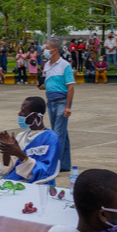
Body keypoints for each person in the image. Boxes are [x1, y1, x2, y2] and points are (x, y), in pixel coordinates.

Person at [0, 97, 60, 183]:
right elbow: (7, 170)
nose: (19, 114)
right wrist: (6, 151)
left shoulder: (51, 138)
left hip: (36, 184)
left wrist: (21, 155)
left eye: (23, 111)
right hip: (14, 181)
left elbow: (45, 171)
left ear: (34, 115)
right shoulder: (21, 136)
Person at [39, 38, 75, 172]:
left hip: (61, 102)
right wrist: (43, 86)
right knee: (62, 134)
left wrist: (67, 106)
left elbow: (70, 87)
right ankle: (65, 164)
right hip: (51, 101)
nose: (44, 51)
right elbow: (49, 83)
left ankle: (54, 165)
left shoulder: (64, 65)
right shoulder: (47, 65)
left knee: (57, 135)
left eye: (46, 48)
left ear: (54, 50)